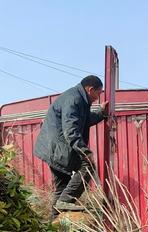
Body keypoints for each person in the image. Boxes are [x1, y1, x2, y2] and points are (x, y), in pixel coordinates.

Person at [34, 75, 108, 215]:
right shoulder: (74, 99)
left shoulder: (78, 98)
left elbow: (84, 120)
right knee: (88, 165)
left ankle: (52, 228)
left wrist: (101, 113)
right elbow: (71, 130)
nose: (97, 98)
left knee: (62, 188)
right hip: (57, 149)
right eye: (98, 94)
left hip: (52, 149)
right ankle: (66, 201)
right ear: (91, 89)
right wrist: (85, 152)